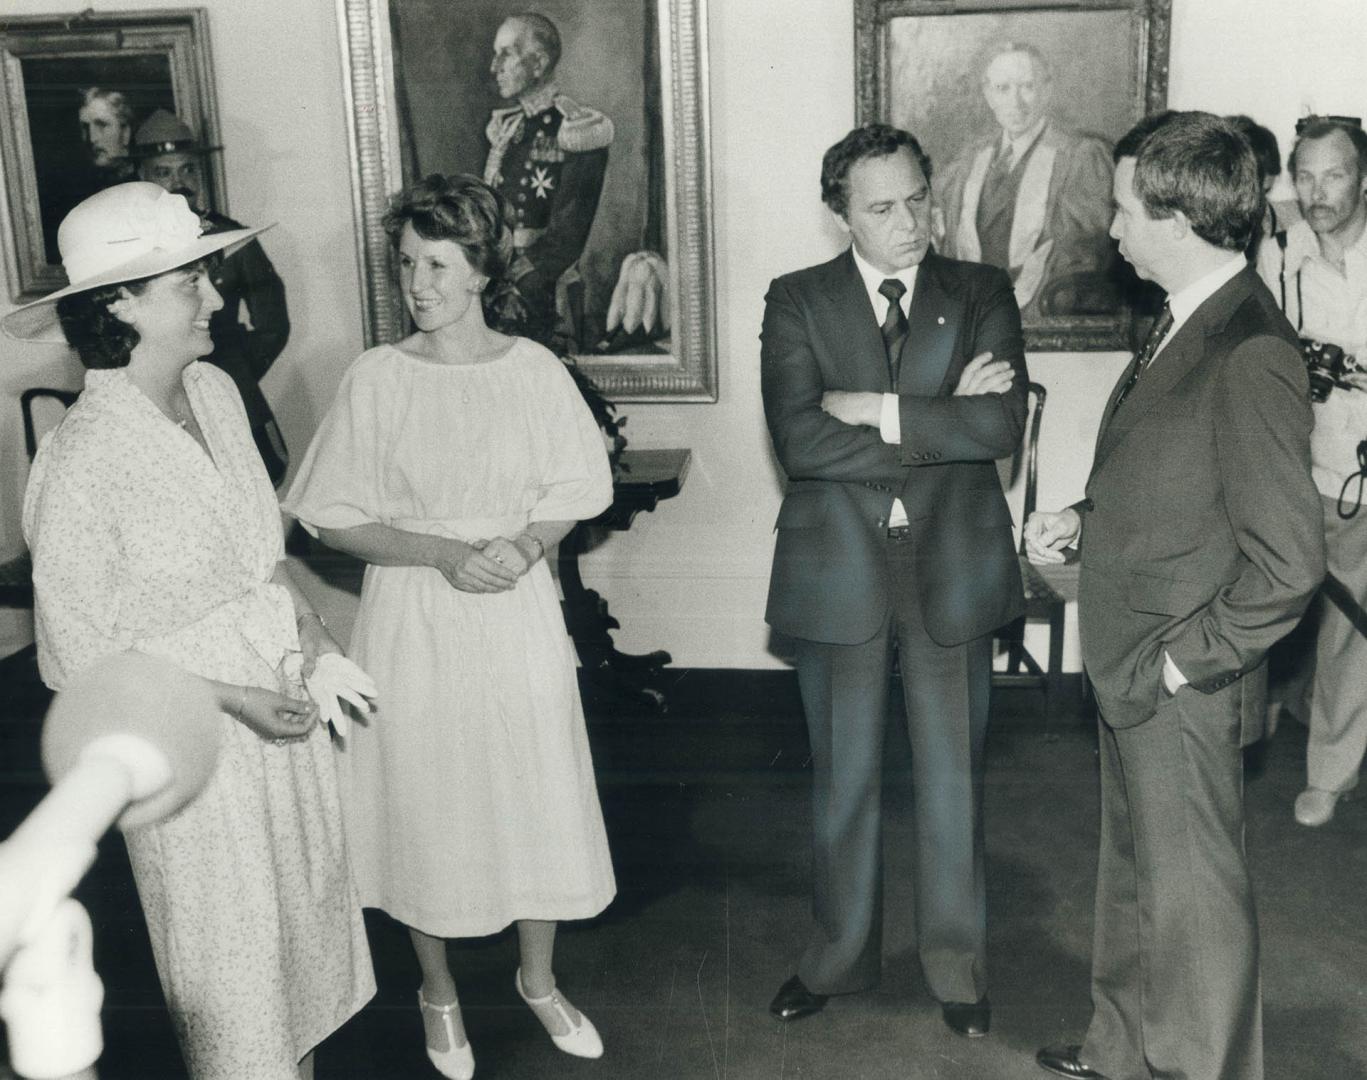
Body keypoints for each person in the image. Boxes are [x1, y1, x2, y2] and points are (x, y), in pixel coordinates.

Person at [6, 182, 375, 1080]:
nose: (217, 298)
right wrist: (230, 698)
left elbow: (263, 555)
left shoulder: (212, 391)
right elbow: (77, 661)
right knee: (231, 981)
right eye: (190, 285)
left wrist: (314, 640)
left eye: (208, 277)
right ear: (119, 305)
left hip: (278, 710)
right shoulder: (81, 459)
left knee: (301, 955)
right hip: (185, 745)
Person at [283, 173, 615, 1079]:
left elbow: (579, 486)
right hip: (415, 614)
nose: (417, 282)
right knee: (428, 800)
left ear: (481, 270)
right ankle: (437, 993)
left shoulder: (534, 370)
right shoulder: (377, 378)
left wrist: (526, 542)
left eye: (437, 262)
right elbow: (326, 514)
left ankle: (537, 981)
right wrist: (436, 553)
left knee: (530, 783)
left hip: (513, 612)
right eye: (404, 264)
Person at [1026, 111, 1325, 1080]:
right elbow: (1169, 471)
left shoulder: (1247, 350)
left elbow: (1288, 562)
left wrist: (1177, 662)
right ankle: (1119, 1051)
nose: (1109, 230)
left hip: (1182, 677)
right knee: (1133, 881)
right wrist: (1081, 513)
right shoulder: (1183, 316)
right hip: (1134, 658)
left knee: (1192, 903)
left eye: (1121, 209)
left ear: (1176, 219)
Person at [760, 122, 1028, 1038]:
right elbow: (798, 440)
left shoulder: (981, 289)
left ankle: (958, 970)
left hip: (950, 563)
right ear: (839, 213)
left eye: (918, 197)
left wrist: (868, 409)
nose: (910, 220)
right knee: (844, 779)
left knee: (952, 778)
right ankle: (836, 958)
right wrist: (937, 418)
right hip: (839, 566)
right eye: (882, 207)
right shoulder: (795, 300)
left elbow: (999, 431)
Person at [1255, 116, 1367, 826]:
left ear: (1361, 178)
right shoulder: (1279, 258)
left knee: (1349, 630)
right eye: (1305, 176)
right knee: (1281, 610)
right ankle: (1260, 725)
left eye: (1333, 174)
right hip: (1301, 469)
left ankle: (1328, 771)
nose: (1317, 191)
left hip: (1362, 480)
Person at [132, 108, 293, 485]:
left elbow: (273, 324)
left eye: (187, 170)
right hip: (153, 396)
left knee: (258, 477)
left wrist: (234, 371)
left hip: (229, 385)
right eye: (164, 172)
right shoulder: (128, 250)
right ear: (141, 176)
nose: (179, 183)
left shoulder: (231, 240)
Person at [935, 42, 1115, 319]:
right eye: (1002, 89)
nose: (1015, 102)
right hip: (970, 311)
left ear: (1047, 89)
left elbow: (1085, 251)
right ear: (987, 94)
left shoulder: (1079, 157)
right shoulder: (971, 159)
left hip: (1042, 309)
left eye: (1027, 87)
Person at [483, 12, 613, 346]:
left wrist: (517, 281)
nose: (494, 67)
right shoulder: (507, 129)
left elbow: (568, 235)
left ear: (538, 63)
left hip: (543, 293)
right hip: (501, 289)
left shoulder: (577, 130)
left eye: (506, 54)